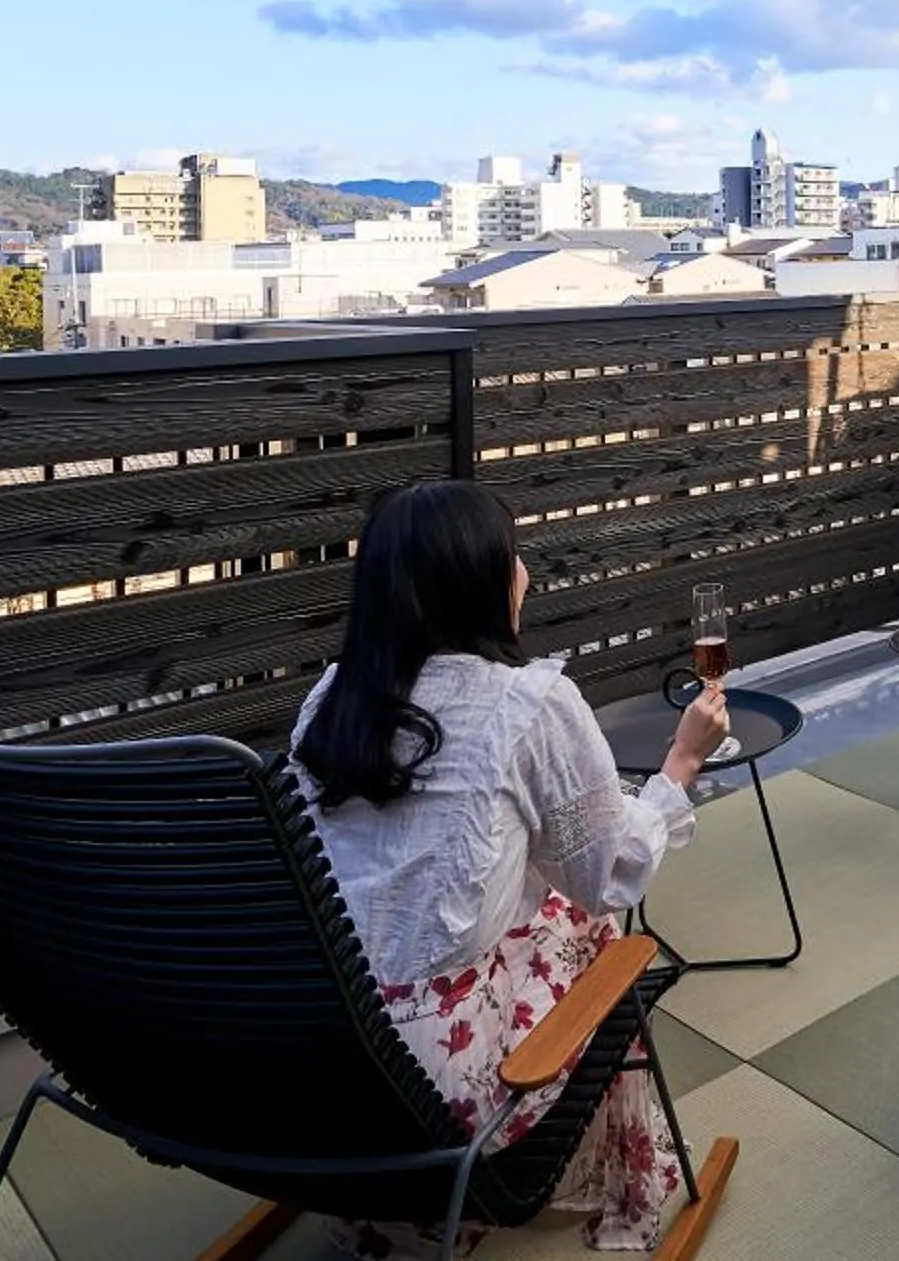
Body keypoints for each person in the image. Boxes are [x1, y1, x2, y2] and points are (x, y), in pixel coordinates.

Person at [287, 479, 731, 1256]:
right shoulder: (526, 704)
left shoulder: (331, 699)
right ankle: (622, 1173)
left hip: (317, 1059)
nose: (525, 572)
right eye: (514, 556)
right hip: (437, 1094)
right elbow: (614, 870)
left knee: (531, 894)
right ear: (480, 582)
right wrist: (681, 765)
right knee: (593, 921)